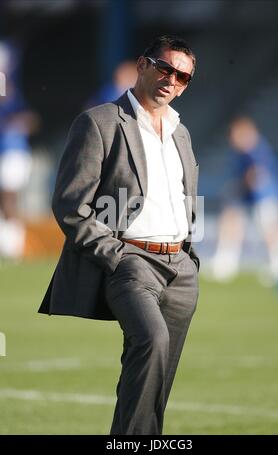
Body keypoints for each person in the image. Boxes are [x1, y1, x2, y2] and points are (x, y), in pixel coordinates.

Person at [39, 35, 200, 435]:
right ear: (142, 65)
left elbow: (185, 196)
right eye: (165, 68)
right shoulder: (99, 122)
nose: (172, 80)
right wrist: (117, 256)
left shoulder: (182, 131)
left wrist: (190, 257)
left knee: (156, 376)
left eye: (183, 77)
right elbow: (70, 206)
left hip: (180, 268)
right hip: (130, 262)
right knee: (152, 342)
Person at [210, 117, 278, 293]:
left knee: (270, 229)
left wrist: (238, 187)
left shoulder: (255, 150)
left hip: (265, 196)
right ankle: (226, 260)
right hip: (250, 196)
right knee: (232, 220)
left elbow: (257, 175)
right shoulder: (243, 151)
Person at [0, 40, 39, 260]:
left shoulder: (13, 98)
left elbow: (32, 120)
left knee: (9, 197)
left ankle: (14, 245)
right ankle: (9, 244)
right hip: (6, 151)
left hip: (14, 152)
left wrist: (19, 122)